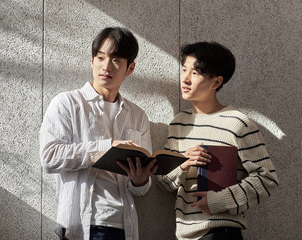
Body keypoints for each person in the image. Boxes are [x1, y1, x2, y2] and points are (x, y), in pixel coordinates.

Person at [39, 27, 157, 240]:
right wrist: (106, 146)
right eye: (100, 57)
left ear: (130, 68)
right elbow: (49, 157)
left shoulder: (138, 116)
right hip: (82, 224)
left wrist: (140, 180)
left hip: (123, 225)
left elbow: (140, 190)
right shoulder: (67, 103)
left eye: (115, 60)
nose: (106, 66)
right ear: (92, 61)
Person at [158, 42, 278, 240]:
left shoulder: (238, 123)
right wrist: (183, 164)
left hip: (221, 233)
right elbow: (163, 182)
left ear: (216, 82)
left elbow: (267, 179)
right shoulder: (178, 123)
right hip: (184, 235)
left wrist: (217, 201)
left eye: (195, 73)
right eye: (184, 70)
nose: (185, 79)